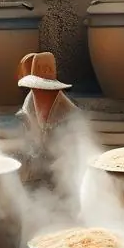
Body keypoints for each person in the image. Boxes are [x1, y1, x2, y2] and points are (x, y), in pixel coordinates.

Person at [15, 51, 80, 187]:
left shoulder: (67, 113)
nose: (38, 94)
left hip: (61, 176)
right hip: (38, 170)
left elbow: (73, 154)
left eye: (44, 90)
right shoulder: (29, 104)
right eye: (36, 89)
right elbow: (28, 143)